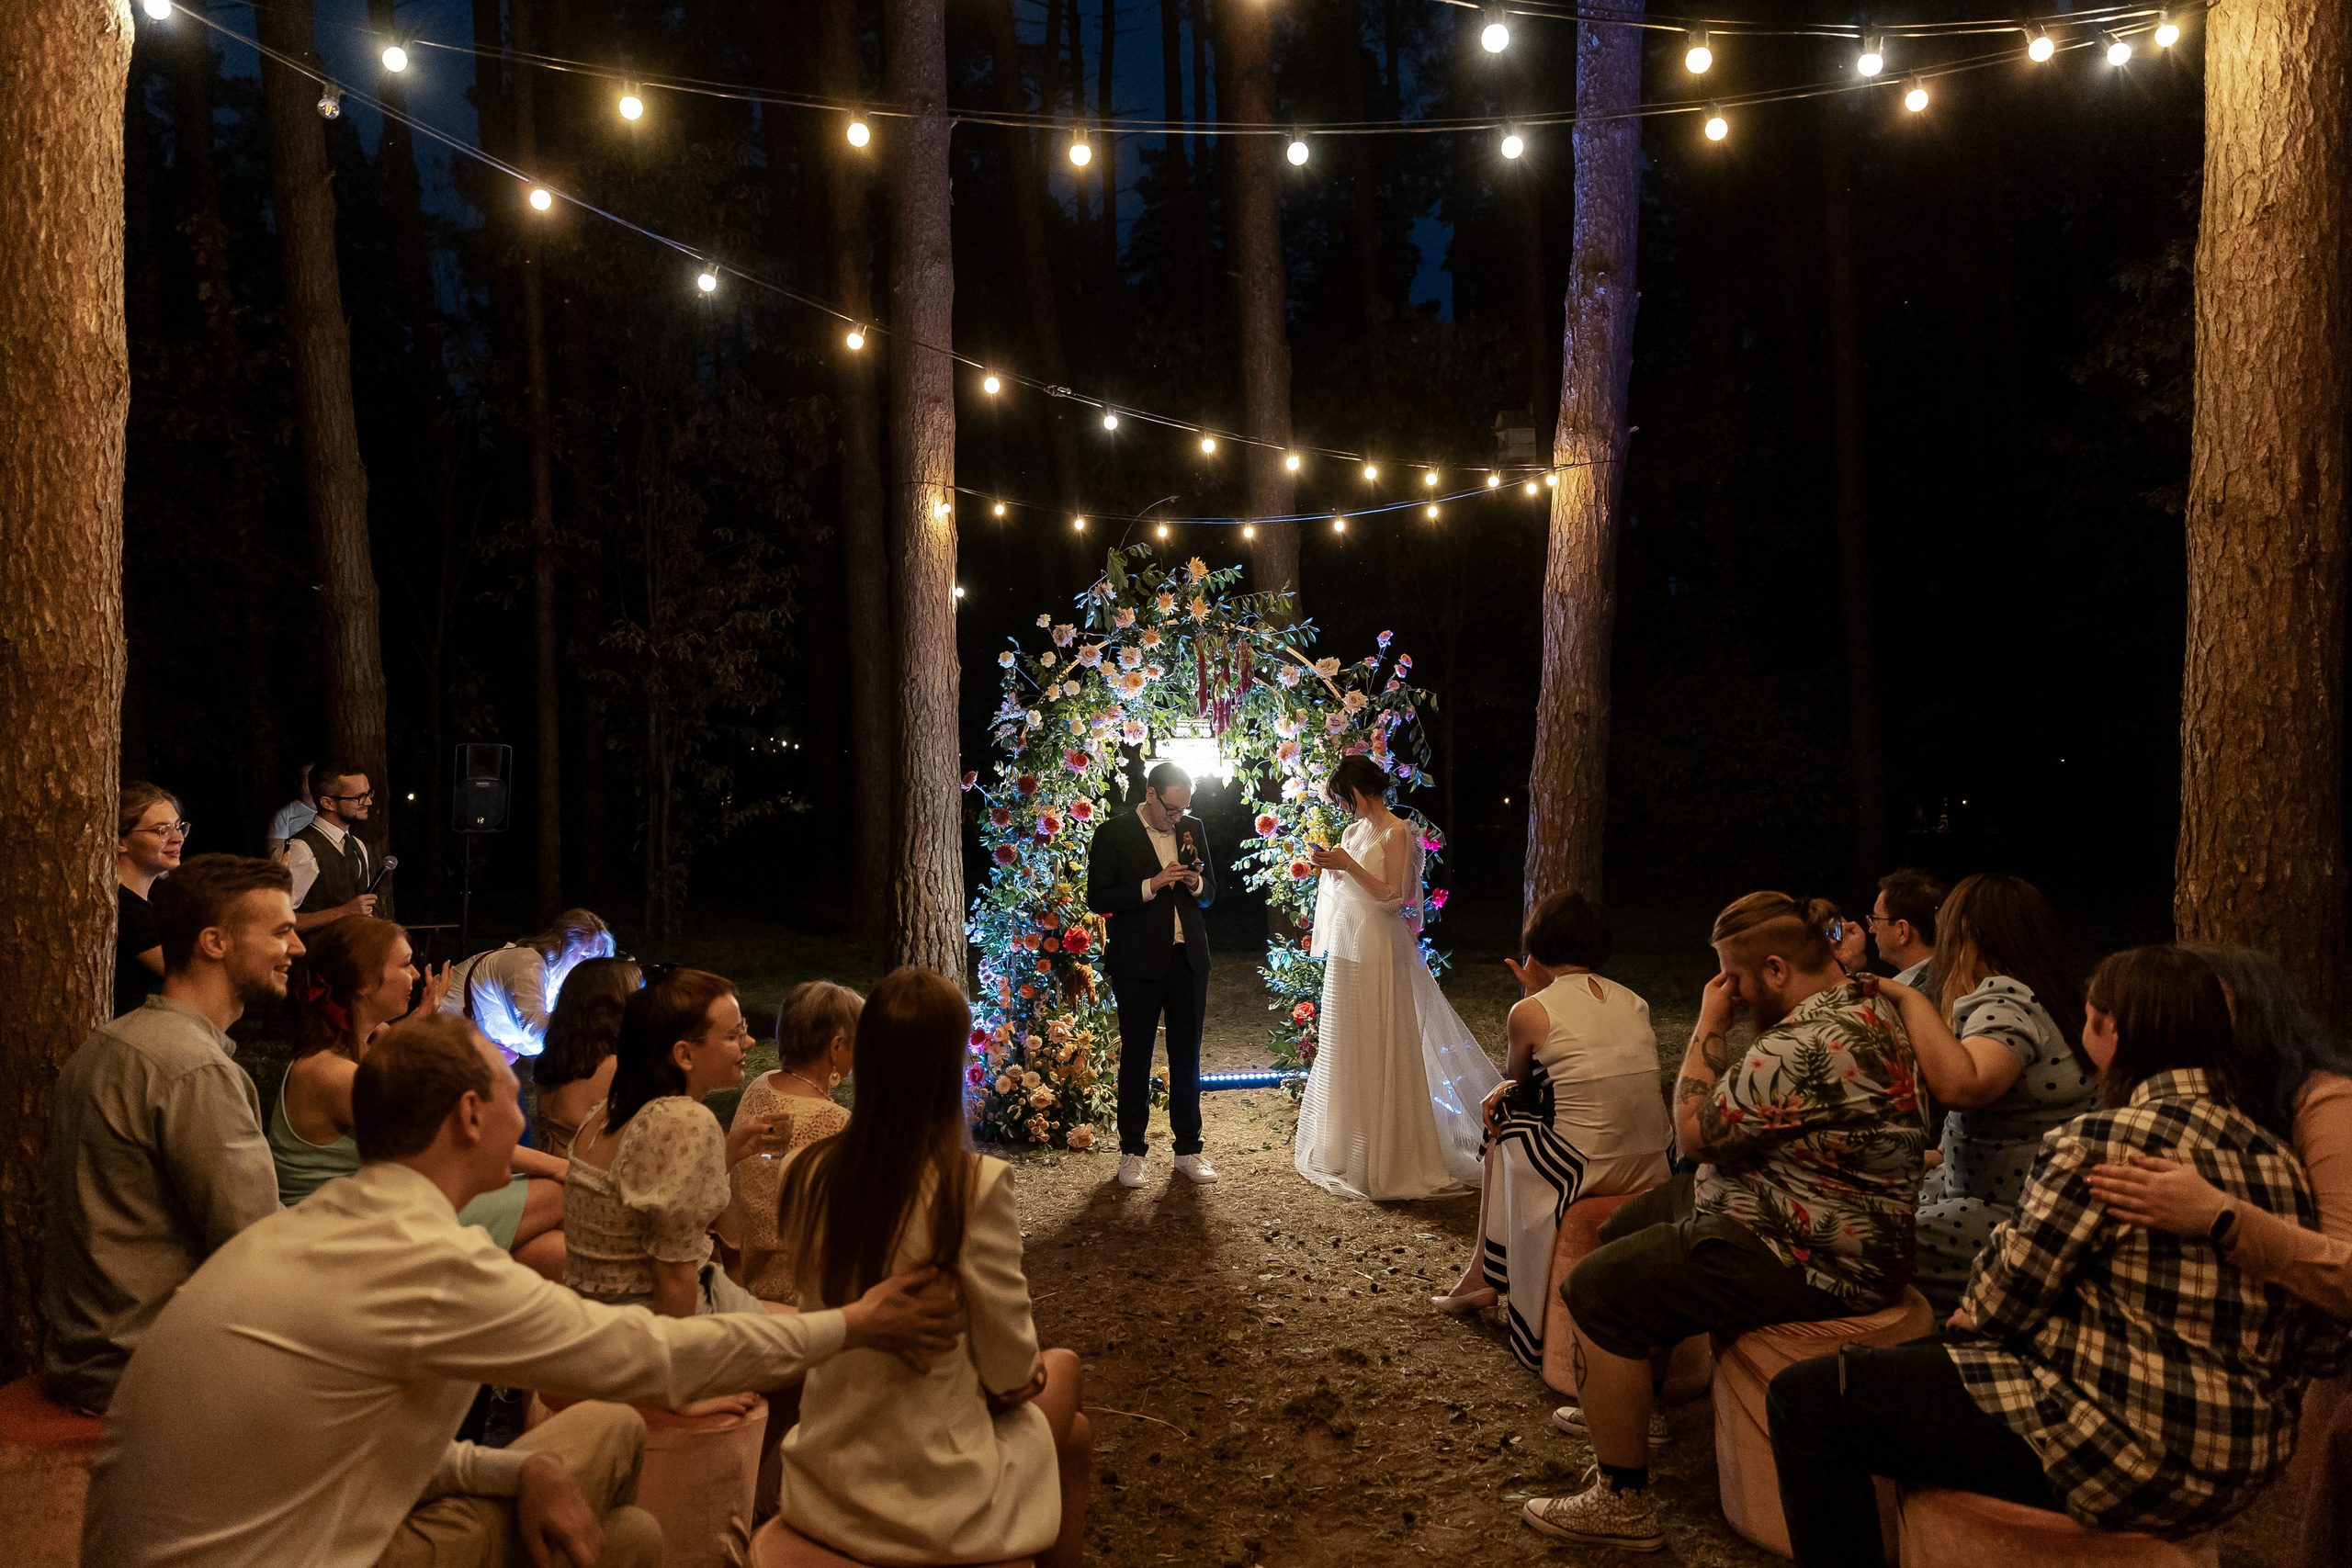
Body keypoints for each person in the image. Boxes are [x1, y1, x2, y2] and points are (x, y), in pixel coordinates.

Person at [82, 1013, 967, 1568]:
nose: (529, 1099)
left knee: (603, 1450)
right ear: (471, 1117)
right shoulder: (423, 1264)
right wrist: (852, 1322)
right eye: (511, 1085)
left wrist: (520, 1469)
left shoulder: (330, 1221)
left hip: (287, 1518)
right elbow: (652, 1351)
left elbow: (343, 1451)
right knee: (629, 1541)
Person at [1767, 945, 2351, 1563]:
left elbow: (2002, 1301)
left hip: (2125, 1451)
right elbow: (2313, 1337)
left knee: (1807, 1398)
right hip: (2239, 1465)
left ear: (2113, 1030)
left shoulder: (2102, 1140)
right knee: (1903, 1370)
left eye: (2087, 1014)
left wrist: (1981, 1307)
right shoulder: (2279, 1158)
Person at [1521, 892, 1930, 1551]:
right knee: (1624, 1228)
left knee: (1596, 1288)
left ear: (1774, 970)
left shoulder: (1807, 1041)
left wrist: (1710, 1025)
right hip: (1802, 1206)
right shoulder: (1861, 1002)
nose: (1727, 992)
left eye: (1732, 979)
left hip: (1816, 1251)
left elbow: (1690, 1134)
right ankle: (1637, 1407)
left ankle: (1620, 1500)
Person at [773, 967, 1093, 1568]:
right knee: (1065, 1370)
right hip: (931, 1496)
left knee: (1070, 1437)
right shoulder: (971, 1186)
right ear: (949, 1067)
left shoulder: (803, 1169)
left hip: (824, 1479)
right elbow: (1012, 1374)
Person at [41, 853, 299, 1414]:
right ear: (215, 942)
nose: (296, 949)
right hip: (148, 1366)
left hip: (93, 1351)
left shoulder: (111, 1042)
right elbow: (255, 1245)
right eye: (282, 932)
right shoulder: (193, 1068)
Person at [1432, 890, 1671, 1373]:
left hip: (1589, 1165)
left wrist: (1532, 993)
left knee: (1500, 1127)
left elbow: (1522, 1081)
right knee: (1515, 1121)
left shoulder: (1532, 1012)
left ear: (1535, 944)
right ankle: (1480, 1276)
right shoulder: (1635, 1001)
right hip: (1656, 1158)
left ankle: (1482, 1275)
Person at [276, 915, 571, 1281]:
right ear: (366, 983)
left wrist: (424, 1013)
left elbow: (397, 1045)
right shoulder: (333, 1075)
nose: (416, 976)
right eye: (405, 965)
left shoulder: (366, 1041)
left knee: (551, 1251)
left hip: (371, 1212)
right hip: (340, 1234)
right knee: (558, 1194)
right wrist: (563, 1166)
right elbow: (452, 1136)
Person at [2084, 944, 2352, 1319]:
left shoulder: (2327, 1103)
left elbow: (2347, 1277)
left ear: (2254, 1023)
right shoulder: (2211, 1109)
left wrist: (2221, 1216)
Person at [1878, 873, 2096, 1312]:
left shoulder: (2005, 996)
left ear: (1967, 936)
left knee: (1855, 1248)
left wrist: (1907, 999)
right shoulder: (2054, 995)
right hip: (2039, 1203)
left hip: (2011, 1219)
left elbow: (1964, 1085)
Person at [1293, 755, 1501, 1201]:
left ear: (1358, 790)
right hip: (1348, 947)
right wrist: (1333, 867)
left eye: (1343, 796)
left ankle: (1390, 1153)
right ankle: (1346, 1146)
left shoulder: (1397, 831)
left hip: (1379, 945)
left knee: (1380, 1036)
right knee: (1347, 1039)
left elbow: (1396, 896)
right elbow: (1347, 887)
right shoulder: (1352, 832)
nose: (1343, 807)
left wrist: (1348, 866)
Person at [564, 966, 791, 1315]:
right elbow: (673, 1281)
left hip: (600, 1316)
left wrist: (729, 1151)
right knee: (827, 1340)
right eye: (734, 1035)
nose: (749, 1043)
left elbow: (651, 1205)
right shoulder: (683, 1121)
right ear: (684, 1055)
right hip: (649, 1325)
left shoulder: (607, 1113)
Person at [1085, 760, 1219, 1189]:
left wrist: (1195, 884)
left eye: (1184, 809)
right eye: (1172, 809)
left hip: (1188, 959)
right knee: (1136, 1057)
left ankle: (1189, 1151)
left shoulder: (1192, 828)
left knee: (1187, 1057)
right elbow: (1097, 897)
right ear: (1150, 795)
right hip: (1137, 962)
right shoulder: (1112, 833)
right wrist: (1153, 883)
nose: (1179, 817)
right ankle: (1131, 1153)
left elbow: (1210, 893)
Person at [727, 980, 863, 1303]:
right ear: (836, 1047)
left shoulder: (760, 1086)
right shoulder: (834, 1121)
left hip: (749, 1266)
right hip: (800, 1285)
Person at [440, 908, 616, 1059]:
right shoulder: (526, 964)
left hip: (467, 1048)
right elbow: (537, 1038)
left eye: (597, 959)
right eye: (586, 955)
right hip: (442, 1045)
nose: (591, 966)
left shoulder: (549, 971)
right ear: (559, 942)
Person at [532, 955, 644, 1158]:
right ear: (620, 1005)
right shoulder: (618, 1071)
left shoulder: (556, 1064)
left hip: (551, 1177)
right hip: (585, 1186)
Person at [114, 781, 185, 1018]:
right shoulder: (126, 910)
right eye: (162, 830)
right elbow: (194, 975)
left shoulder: (138, 906)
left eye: (178, 827)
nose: (178, 838)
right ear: (120, 841)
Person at [287, 760, 380, 931]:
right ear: (328, 803)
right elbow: (282, 920)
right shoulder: (301, 849)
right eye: (359, 797)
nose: (368, 802)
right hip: (315, 956)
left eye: (369, 794)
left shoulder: (358, 845)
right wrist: (343, 912)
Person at [1870, 867, 1948, 987]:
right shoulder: (1948, 977)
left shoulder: (1918, 996)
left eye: (1876, 919)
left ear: (1902, 931)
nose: (1872, 929)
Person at [263, 759, 317, 863]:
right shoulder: (285, 815)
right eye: (307, 778)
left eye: (315, 778)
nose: (312, 782)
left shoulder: (333, 809)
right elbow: (275, 856)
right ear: (299, 783)